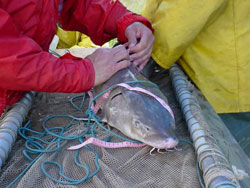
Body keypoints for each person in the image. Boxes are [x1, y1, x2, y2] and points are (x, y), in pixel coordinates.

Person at [0, 0, 155, 116]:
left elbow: (78, 4)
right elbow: (6, 60)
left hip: (20, 93)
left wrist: (125, 21)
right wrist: (86, 72)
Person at [142, 0, 250, 156]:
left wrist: (150, 52)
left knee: (236, 168)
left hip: (228, 86)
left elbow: (193, 5)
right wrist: (140, 28)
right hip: (214, 74)